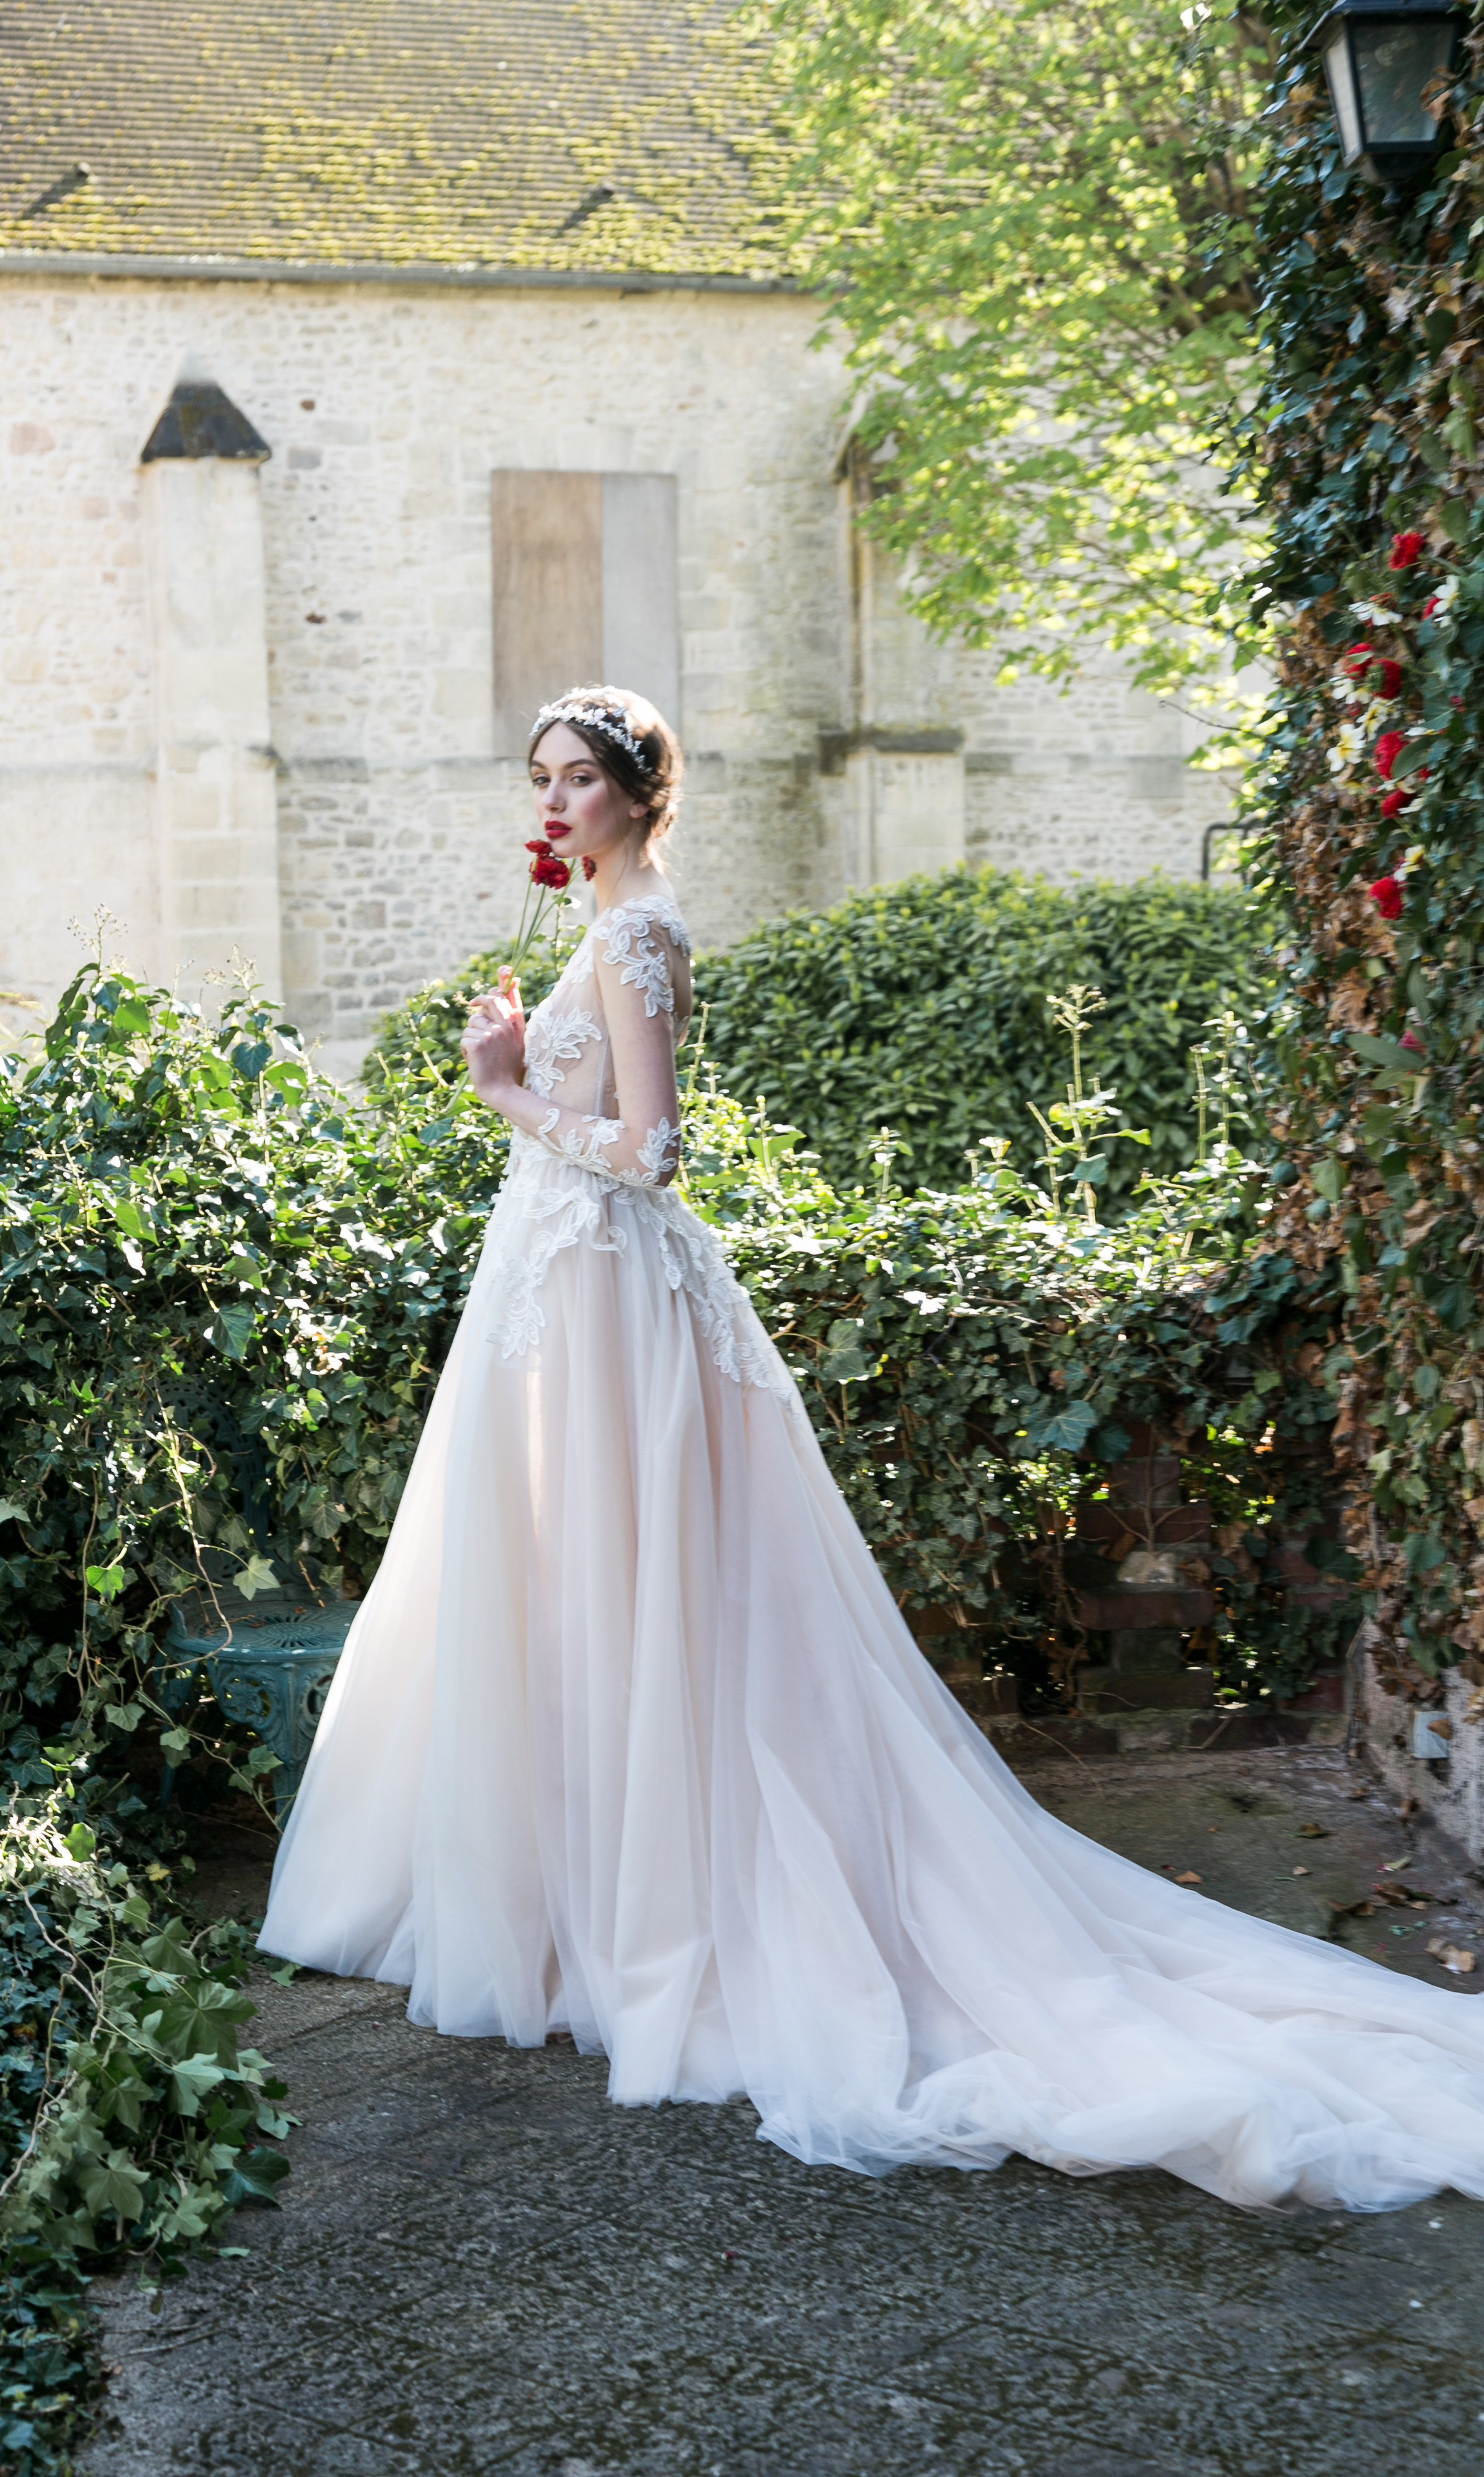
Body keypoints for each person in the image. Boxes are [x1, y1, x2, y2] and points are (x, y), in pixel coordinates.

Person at [261, 685, 1484, 2212]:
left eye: (580, 777)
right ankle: (570, 1896)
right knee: (570, 1594)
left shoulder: (642, 935)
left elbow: (651, 1152)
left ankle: (657, 1913)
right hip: (554, 1299)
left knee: (646, 1597)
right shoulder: (597, 928)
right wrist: (524, 1069)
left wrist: (507, 1091)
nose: (555, 800)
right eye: (541, 778)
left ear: (642, 794)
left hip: (606, 1300)